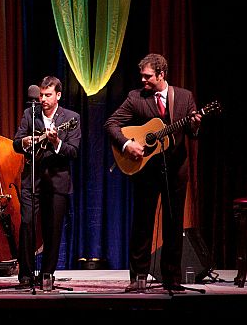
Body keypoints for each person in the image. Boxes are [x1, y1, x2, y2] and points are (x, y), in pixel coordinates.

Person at [104, 53, 202, 291]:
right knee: (142, 224)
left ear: (161, 74)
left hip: (176, 169)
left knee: (173, 224)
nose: (144, 81)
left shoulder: (184, 97)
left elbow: (191, 132)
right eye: (142, 76)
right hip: (146, 169)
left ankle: (172, 278)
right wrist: (128, 145)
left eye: (148, 76)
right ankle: (138, 277)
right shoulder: (136, 98)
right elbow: (111, 124)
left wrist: (195, 125)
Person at [13, 76, 81, 286]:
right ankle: (25, 274)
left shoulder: (71, 118)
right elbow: (16, 143)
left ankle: (46, 274)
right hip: (31, 179)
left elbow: (73, 151)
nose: (43, 99)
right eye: (41, 94)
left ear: (58, 95)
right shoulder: (30, 114)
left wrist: (56, 142)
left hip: (57, 181)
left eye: (48, 95)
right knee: (27, 224)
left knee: (53, 229)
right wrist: (25, 141)